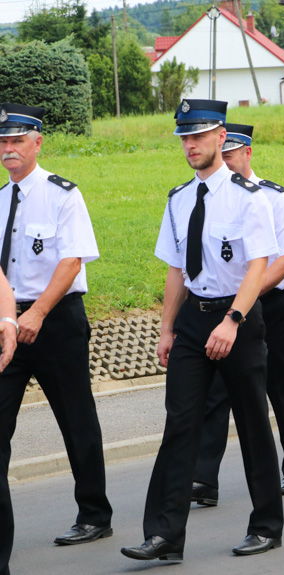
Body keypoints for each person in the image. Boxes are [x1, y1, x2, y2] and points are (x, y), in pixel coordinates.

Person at [121, 100, 283, 561]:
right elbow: (176, 270)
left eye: (198, 136)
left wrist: (233, 321)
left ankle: (267, 525)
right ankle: (165, 535)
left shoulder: (249, 197)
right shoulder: (178, 199)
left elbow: (258, 267)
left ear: (220, 138)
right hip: (194, 319)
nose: (190, 145)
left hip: (239, 318)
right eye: (184, 138)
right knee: (180, 424)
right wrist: (167, 328)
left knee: (252, 424)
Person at [0, 103, 108, 575]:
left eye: (17, 141)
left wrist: (39, 313)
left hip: (56, 320)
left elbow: (73, 260)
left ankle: (94, 513)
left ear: (37, 143)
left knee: (76, 417)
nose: (8, 151)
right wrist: (11, 319)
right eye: (2, 143)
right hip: (8, 324)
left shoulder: (63, 194)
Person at [190, 123, 284, 506]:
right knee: (216, 392)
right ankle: (204, 479)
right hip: (223, 308)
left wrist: (245, 299)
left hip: (266, 305)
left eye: (232, 153)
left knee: (280, 383)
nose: (226, 160)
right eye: (222, 154)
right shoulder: (208, 196)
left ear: (247, 153)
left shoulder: (273, 197)